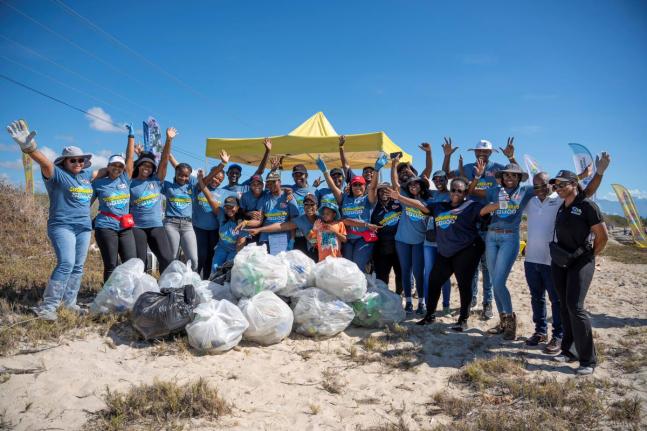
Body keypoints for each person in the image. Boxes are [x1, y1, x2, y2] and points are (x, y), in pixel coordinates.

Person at [6, 119, 107, 320]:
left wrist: (117, 164)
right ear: (64, 162)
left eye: (80, 160)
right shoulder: (58, 175)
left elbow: (102, 171)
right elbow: (44, 161)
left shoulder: (86, 176)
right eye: (73, 160)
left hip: (84, 228)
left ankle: (69, 303)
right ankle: (48, 306)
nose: (77, 163)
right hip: (62, 226)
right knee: (66, 263)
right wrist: (29, 147)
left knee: (78, 266)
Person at [523, 154, 608, 353]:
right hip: (539, 261)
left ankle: (560, 337)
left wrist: (598, 173)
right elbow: (565, 185)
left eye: (545, 185)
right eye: (536, 186)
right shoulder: (536, 201)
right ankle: (543, 333)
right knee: (542, 299)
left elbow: (583, 192)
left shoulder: (561, 201)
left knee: (562, 303)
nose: (541, 189)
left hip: (557, 260)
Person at [389, 177, 485, 331]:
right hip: (446, 252)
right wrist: (400, 197)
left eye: (460, 191)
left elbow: (485, 211)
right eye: (453, 190)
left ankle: (463, 319)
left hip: (467, 249)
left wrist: (500, 204)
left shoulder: (471, 206)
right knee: (434, 281)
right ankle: (430, 316)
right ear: (449, 190)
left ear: (465, 193)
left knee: (464, 284)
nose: (455, 193)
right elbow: (421, 205)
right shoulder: (440, 207)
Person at [442, 137, 517, 318]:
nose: (482, 154)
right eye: (479, 151)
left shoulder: (499, 168)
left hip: (493, 222)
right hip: (471, 222)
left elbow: (519, 175)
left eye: (486, 152)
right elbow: (446, 174)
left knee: (488, 267)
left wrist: (512, 158)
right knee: (471, 265)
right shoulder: (467, 168)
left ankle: (487, 303)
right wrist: (447, 156)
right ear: (474, 152)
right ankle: (473, 299)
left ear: (491, 153)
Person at [549, 170, 608, 375]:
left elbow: (603, 236)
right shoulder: (562, 206)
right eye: (555, 186)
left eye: (562, 185)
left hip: (581, 262)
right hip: (560, 260)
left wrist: (591, 256)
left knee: (576, 306)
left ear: (574, 184)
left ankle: (588, 360)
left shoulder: (587, 206)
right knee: (564, 305)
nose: (558, 188)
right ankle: (569, 350)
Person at [470, 158, 534, 340]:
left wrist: (584, 177)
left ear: (519, 177)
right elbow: (472, 191)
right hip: (491, 237)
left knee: (498, 282)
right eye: (507, 174)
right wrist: (477, 176)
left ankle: (511, 321)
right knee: (494, 281)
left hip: (510, 237)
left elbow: (547, 188)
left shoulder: (525, 191)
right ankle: (503, 322)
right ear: (502, 177)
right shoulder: (495, 191)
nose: (510, 177)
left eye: (514, 175)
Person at [317, 153, 384, 272]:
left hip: (363, 238)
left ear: (364, 186)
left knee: (358, 266)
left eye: (360, 185)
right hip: (347, 239)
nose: (357, 187)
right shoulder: (344, 198)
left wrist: (377, 170)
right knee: (347, 267)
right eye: (355, 185)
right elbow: (333, 187)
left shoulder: (368, 200)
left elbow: (373, 188)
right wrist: (325, 171)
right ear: (351, 186)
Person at [91, 125, 137, 282]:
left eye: (120, 166)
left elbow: (130, 158)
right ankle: (108, 298)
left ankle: (128, 295)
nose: (117, 168)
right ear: (108, 166)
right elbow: (86, 203)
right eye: (114, 165)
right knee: (111, 264)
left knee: (130, 263)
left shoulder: (125, 179)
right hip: (105, 226)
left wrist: (131, 137)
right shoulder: (98, 183)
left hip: (125, 227)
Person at [390, 152, 430, 314]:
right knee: (405, 271)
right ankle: (408, 302)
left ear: (421, 186)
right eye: (411, 185)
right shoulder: (404, 195)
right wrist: (394, 164)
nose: (413, 186)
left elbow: (422, 207)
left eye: (416, 184)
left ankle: (421, 301)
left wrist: (428, 153)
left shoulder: (428, 200)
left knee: (418, 272)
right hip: (402, 241)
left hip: (419, 241)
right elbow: (395, 182)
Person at [129, 142, 174, 274]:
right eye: (144, 165)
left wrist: (169, 140)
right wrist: (136, 153)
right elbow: (128, 164)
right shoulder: (130, 182)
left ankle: (164, 287)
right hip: (137, 227)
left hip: (156, 225)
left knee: (167, 258)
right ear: (139, 166)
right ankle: (140, 289)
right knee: (140, 262)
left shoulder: (156, 181)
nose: (147, 168)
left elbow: (164, 161)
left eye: (150, 166)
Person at [189, 150, 229, 279]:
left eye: (220, 180)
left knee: (210, 256)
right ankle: (193, 279)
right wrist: (222, 165)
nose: (217, 180)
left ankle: (205, 280)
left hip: (214, 230)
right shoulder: (199, 187)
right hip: (198, 228)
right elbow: (209, 176)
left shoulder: (224, 193)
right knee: (200, 256)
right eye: (216, 177)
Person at [244, 193, 320, 261]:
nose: (309, 207)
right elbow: (280, 226)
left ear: (317, 206)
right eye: (306, 204)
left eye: (312, 204)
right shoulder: (301, 220)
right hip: (314, 250)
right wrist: (259, 229)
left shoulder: (322, 218)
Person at [197, 172, 248, 270]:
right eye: (226, 207)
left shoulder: (242, 223)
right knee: (215, 268)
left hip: (234, 251)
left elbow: (240, 244)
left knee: (227, 270)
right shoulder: (221, 214)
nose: (229, 209)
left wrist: (237, 259)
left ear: (237, 208)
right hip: (221, 249)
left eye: (231, 207)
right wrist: (200, 181)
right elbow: (210, 197)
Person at [425, 170, 452, 315]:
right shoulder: (431, 194)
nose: (438, 182)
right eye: (435, 180)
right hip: (429, 239)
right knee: (428, 273)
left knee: (444, 275)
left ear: (447, 180)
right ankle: (429, 305)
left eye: (441, 179)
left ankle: (446, 305)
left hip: (445, 241)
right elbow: (417, 182)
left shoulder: (452, 195)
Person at [256, 170, 300, 255]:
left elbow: (293, 220)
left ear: (279, 182)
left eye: (274, 182)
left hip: (283, 239)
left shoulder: (289, 197)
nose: (271, 185)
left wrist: (292, 239)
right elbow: (259, 219)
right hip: (266, 239)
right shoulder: (264, 198)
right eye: (269, 183)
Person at [371, 183, 403, 294]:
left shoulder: (398, 204)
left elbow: (397, 184)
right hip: (381, 247)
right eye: (381, 191)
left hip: (399, 246)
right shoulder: (374, 207)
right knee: (382, 276)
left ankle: (399, 295)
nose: (384, 192)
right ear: (377, 193)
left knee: (400, 273)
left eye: (386, 190)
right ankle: (385, 298)